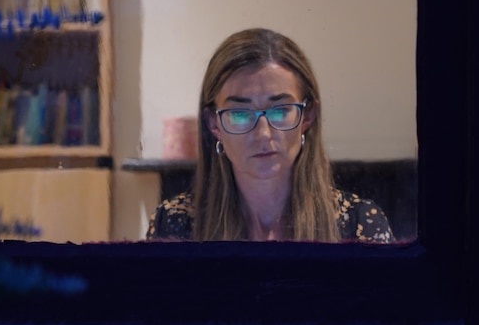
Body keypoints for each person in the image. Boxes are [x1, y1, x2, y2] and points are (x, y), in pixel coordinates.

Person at [146, 28, 393, 243]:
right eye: (240, 114)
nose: (263, 133)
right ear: (214, 124)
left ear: (307, 116)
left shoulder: (358, 225)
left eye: (281, 110)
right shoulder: (175, 224)